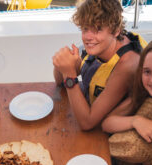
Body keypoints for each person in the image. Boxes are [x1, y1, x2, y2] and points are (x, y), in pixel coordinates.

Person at [52, 0, 146, 130]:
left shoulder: (127, 65)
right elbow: (59, 83)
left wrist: (69, 74)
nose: (88, 37)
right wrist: (62, 65)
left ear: (116, 31)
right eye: (85, 28)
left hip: (106, 130)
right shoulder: (99, 46)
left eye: (98, 29)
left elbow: (87, 123)